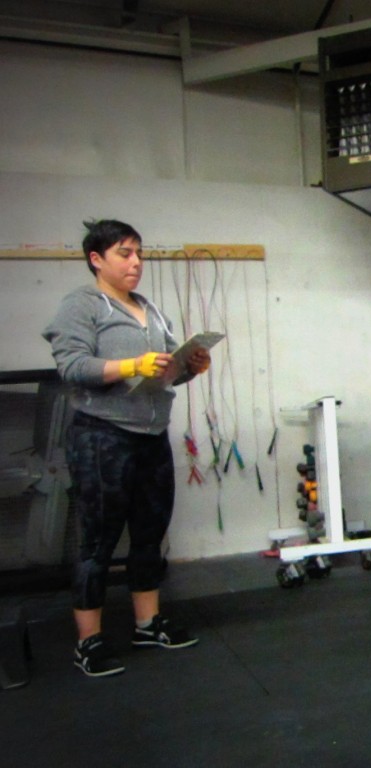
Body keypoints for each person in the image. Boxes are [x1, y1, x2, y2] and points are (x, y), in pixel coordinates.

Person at [43, 219, 211, 678]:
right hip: (102, 436)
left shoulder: (150, 309)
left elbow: (167, 371)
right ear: (97, 260)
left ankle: (147, 624)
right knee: (97, 542)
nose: (136, 262)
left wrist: (190, 365)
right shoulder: (82, 305)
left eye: (139, 253)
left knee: (149, 535)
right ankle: (89, 642)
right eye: (124, 253)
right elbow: (72, 366)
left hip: (151, 436)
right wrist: (131, 364)